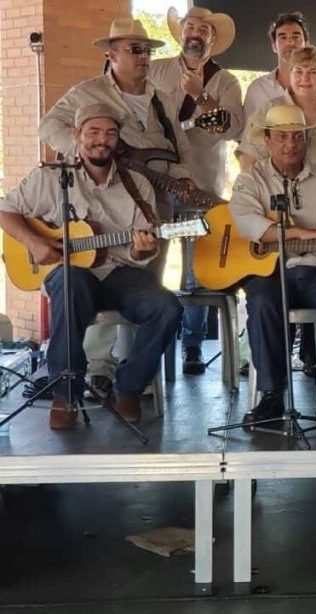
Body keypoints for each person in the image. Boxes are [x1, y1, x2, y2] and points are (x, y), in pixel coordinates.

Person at [39, 18, 194, 399]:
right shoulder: (88, 91)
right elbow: (48, 126)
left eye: (147, 50)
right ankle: (97, 372)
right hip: (100, 204)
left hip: (154, 209)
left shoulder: (163, 98)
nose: (143, 57)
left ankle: (134, 381)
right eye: (134, 50)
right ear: (111, 55)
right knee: (91, 277)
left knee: (144, 289)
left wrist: (185, 179)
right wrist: (90, 152)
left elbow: (179, 148)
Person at [0, 104, 182, 429]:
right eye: (94, 132)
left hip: (119, 272)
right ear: (76, 136)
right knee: (71, 283)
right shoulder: (50, 178)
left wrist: (144, 250)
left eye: (110, 133)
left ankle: (128, 388)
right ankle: (66, 393)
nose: (102, 140)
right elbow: (5, 211)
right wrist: (34, 242)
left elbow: (141, 253)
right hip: (70, 275)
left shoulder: (136, 185)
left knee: (167, 307)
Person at [230, 105, 316, 423]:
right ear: (266, 139)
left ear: (305, 139)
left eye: (296, 136)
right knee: (261, 302)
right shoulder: (250, 179)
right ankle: (271, 395)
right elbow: (250, 225)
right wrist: (300, 232)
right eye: (281, 137)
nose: (289, 144)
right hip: (267, 270)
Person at [148, 6, 244, 375]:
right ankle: (151, 344)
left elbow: (233, 129)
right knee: (151, 263)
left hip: (200, 187)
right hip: (156, 185)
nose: (196, 33)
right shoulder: (155, 70)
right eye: (190, 26)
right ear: (180, 33)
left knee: (196, 271)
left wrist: (201, 94)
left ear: (213, 40)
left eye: (204, 29)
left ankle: (191, 346)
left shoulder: (225, 81)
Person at [237, 46, 316, 200]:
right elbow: (249, 162)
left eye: (313, 72)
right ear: (290, 75)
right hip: (276, 207)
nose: (305, 78)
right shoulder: (268, 111)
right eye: (298, 71)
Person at [242, 11, 316, 119]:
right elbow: (248, 133)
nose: (290, 43)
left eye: (296, 36)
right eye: (283, 37)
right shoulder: (258, 89)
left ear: (306, 43)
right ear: (274, 46)